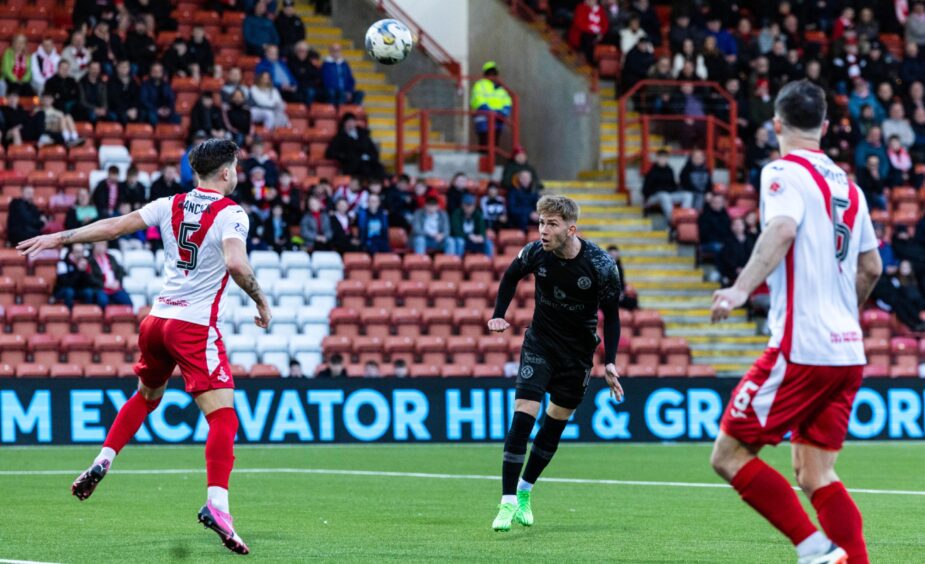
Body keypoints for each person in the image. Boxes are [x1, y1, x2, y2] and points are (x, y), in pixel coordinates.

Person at [19, 139, 270, 556]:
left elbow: (113, 226)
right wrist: (261, 301)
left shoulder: (168, 203)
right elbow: (236, 263)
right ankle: (218, 505)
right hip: (193, 327)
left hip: (156, 322)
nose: (238, 173)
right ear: (226, 172)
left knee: (146, 396)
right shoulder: (232, 214)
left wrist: (59, 238)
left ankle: (104, 458)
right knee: (223, 418)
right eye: (237, 167)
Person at [710, 80, 880, 564]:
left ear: (777, 124)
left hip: (802, 347)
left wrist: (741, 289)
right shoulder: (850, 185)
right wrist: (843, 315)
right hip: (848, 351)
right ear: (824, 127)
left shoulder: (782, 171)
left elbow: (782, 227)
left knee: (728, 455)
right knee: (815, 473)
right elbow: (872, 269)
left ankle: (814, 550)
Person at [487, 195, 622, 532]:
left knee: (554, 425)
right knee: (523, 414)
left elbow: (613, 317)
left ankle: (524, 492)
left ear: (570, 228)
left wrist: (610, 363)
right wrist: (498, 315)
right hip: (540, 344)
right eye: (540, 223)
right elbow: (509, 276)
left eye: (551, 224)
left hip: (577, 356)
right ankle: (505, 502)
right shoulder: (535, 252)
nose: (542, 231)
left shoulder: (601, 265)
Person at [325, 113, 385, 179]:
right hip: (352, 166)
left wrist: (368, 157)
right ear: (344, 124)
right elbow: (330, 153)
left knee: (379, 168)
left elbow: (373, 150)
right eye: (348, 122)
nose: (350, 124)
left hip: (368, 163)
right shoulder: (339, 138)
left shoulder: (363, 135)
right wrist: (345, 157)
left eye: (352, 121)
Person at [470, 61, 512, 149]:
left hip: (497, 121)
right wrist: (491, 112)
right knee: (485, 146)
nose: (492, 76)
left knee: (494, 147)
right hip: (484, 121)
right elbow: (478, 100)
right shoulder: (480, 85)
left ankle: (490, 162)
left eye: (494, 73)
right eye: (489, 73)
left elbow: (507, 101)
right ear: (485, 74)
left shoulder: (501, 88)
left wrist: (503, 112)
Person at [53, 243, 107, 308]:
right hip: (63, 290)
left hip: (78, 290)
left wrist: (86, 271)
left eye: (81, 252)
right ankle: (68, 313)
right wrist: (78, 270)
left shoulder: (85, 262)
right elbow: (66, 284)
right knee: (69, 291)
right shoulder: (63, 264)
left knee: (88, 292)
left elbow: (88, 283)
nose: (79, 254)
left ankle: (88, 313)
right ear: (71, 252)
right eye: (77, 252)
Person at [643, 149, 692, 219]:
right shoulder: (651, 172)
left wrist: (676, 189)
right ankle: (672, 220)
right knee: (664, 195)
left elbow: (673, 185)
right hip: (653, 197)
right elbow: (645, 189)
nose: (663, 160)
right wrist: (646, 200)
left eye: (665, 158)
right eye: (661, 157)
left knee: (688, 195)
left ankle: (683, 217)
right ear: (657, 158)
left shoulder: (670, 170)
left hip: (668, 194)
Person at [89, 241, 133, 307]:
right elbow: (90, 277)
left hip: (114, 287)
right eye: (99, 245)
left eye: (103, 245)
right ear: (94, 246)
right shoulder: (90, 260)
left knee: (127, 301)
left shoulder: (111, 258)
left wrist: (118, 281)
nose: (101, 247)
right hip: (101, 288)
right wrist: (104, 284)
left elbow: (120, 271)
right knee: (103, 301)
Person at [717, 217, 755, 287]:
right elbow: (726, 258)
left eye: (740, 224)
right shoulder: (727, 241)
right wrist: (736, 268)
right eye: (735, 225)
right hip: (732, 272)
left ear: (744, 226)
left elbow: (753, 256)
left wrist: (746, 268)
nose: (737, 227)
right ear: (732, 227)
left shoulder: (750, 241)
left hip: (748, 270)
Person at [567, 0, 608, 65]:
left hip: (596, 34)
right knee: (588, 37)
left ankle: (595, 60)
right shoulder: (581, 7)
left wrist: (601, 33)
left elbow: (605, 24)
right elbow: (579, 24)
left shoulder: (600, 10)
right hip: (581, 34)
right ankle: (584, 57)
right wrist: (593, 29)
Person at [288, 42, 323, 106]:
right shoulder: (291, 62)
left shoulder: (311, 62)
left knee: (313, 92)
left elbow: (316, 75)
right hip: (296, 86)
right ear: (296, 51)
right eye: (300, 51)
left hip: (309, 86)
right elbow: (295, 75)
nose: (302, 53)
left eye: (305, 51)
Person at [108, 60, 142, 124]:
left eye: (126, 67)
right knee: (122, 116)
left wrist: (133, 108)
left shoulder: (133, 82)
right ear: (117, 68)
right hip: (117, 109)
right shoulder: (112, 81)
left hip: (131, 109)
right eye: (122, 67)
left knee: (140, 114)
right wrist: (126, 110)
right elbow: (114, 99)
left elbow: (136, 97)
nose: (124, 69)